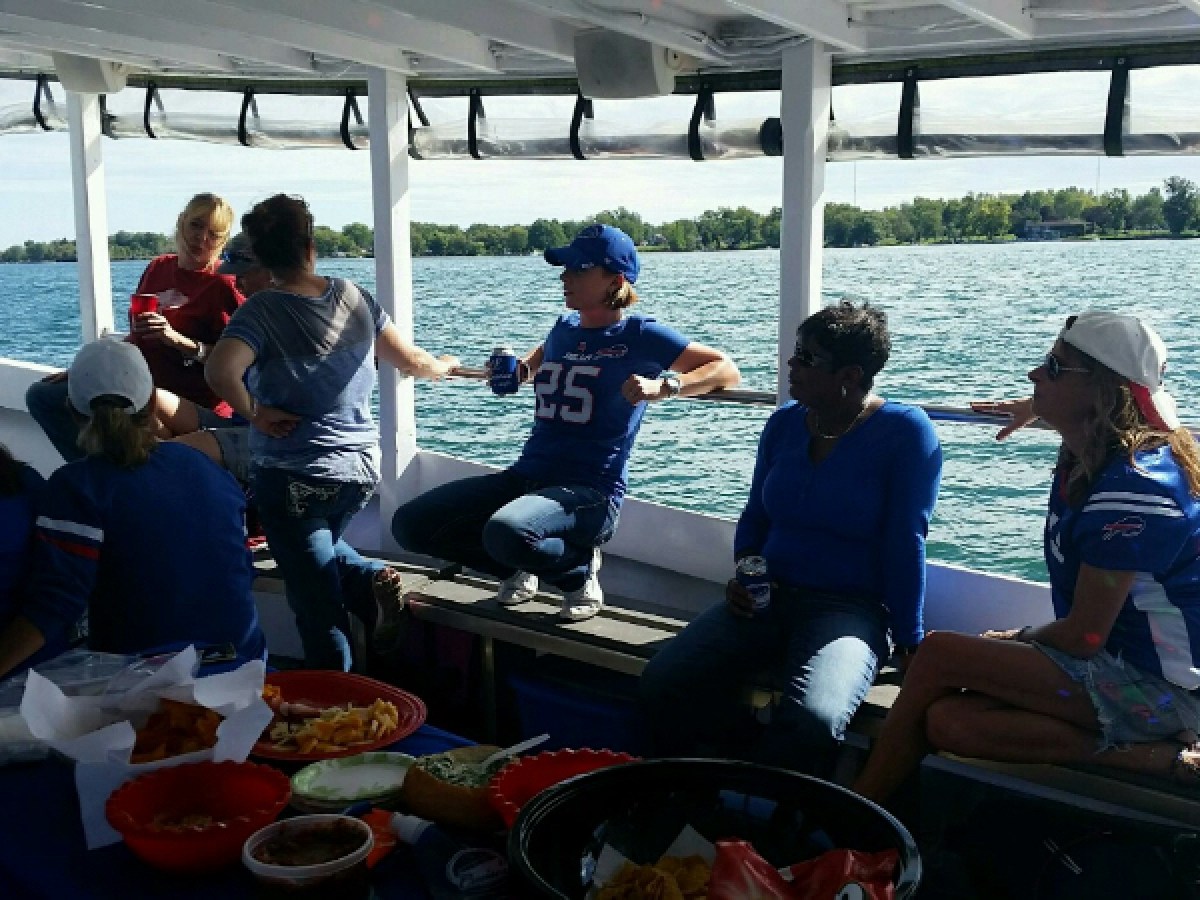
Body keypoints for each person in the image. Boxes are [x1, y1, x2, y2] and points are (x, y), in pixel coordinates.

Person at [853, 311, 1200, 804]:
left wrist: (1016, 637)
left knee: (939, 654)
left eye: (1054, 367)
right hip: (1118, 672)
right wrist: (1041, 407)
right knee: (949, 723)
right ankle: (1155, 757)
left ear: (1103, 392)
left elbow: (1084, 637)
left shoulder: (1134, 490)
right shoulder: (1092, 452)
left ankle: (852, 812)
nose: (1034, 374)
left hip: (1164, 694)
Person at [640, 301, 943, 775]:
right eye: (796, 352)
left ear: (850, 374)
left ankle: (773, 812)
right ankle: (701, 789)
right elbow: (756, 515)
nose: (790, 364)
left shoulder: (905, 432)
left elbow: (906, 540)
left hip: (849, 609)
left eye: (807, 358)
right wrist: (745, 574)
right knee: (664, 679)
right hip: (766, 598)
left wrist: (910, 640)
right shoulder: (784, 423)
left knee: (814, 720)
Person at [390, 224, 740, 621]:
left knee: (506, 531)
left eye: (578, 269)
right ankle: (516, 569)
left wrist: (666, 386)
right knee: (410, 524)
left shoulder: (641, 334)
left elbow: (725, 368)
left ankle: (577, 572)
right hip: (527, 476)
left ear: (615, 280)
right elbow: (535, 361)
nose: (565, 277)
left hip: (590, 491)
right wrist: (517, 372)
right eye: (565, 268)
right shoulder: (564, 329)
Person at [205, 193, 460, 672]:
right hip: (357, 473)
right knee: (316, 547)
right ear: (310, 246)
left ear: (261, 256)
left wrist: (256, 413)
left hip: (291, 476)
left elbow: (220, 372)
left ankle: (337, 702)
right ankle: (368, 580)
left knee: (317, 607)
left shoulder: (261, 311)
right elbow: (411, 361)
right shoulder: (352, 295)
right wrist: (445, 365)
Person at [0, 339, 266, 679]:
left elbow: (55, 605)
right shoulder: (208, 468)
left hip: (148, 680)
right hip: (246, 666)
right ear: (153, 402)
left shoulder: (76, 486)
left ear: (71, 410)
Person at [25, 193, 243, 466]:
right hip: (136, 387)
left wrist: (176, 340)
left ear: (223, 240)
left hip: (187, 404)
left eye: (213, 234)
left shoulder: (224, 285)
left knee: (130, 425)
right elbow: (138, 338)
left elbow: (233, 363)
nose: (201, 238)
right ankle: (94, 476)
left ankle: (119, 480)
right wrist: (89, 370)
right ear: (181, 222)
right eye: (196, 226)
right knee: (43, 396)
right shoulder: (158, 267)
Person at [152, 232, 274, 485]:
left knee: (159, 456)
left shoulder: (285, 318)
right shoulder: (255, 314)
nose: (237, 285)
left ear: (270, 271)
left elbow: (219, 373)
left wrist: (257, 416)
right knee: (149, 401)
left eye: (243, 276)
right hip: (244, 422)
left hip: (270, 437)